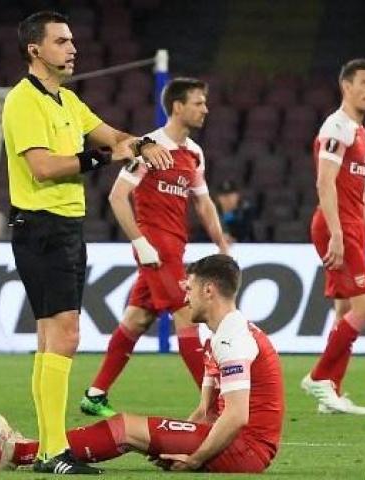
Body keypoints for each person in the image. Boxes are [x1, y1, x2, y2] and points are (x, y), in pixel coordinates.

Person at [3, 10, 173, 475]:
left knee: (50, 337)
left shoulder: (65, 101)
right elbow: (42, 166)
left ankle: (47, 452)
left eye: (72, 40)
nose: (72, 48)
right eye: (61, 41)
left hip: (64, 229)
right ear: (35, 49)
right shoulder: (24, 101)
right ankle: (55, 451)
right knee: (66, 334)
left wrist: (136, 145)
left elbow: (113, 135)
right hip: (42, 227)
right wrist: (100, 158)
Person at [0, 254, 285, 474]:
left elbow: (237, 415)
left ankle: (19, 453)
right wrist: (173, 442)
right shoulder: (218, 337)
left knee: (125, 428)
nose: (185, 298)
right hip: (236, 443)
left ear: (209, 290)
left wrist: (196, 458)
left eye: (189, 289)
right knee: (132, 432)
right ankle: (32, 448)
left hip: (247, 450)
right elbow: (205, 413)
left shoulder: (234, 338)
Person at [79, 77, 229, 418]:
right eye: (198, 102)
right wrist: (141, 242)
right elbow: (117, 197)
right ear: (178, 107)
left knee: (137, 319)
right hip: (155, 247)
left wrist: (221, 244)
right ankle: (213, 408)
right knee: (187, 315)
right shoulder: (148, 148)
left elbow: (204, 204)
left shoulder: (194, 153)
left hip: (175, 247)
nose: (205, 109)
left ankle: (95, 394)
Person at [302, 58, 365, 415]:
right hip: (337, 224)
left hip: (351, 225)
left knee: (344, 311)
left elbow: (362, 192)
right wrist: (337, 234)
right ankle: (318, 378)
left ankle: (331, 393)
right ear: (346, 86)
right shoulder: (337, 127)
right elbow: (324, 181)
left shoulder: (361, 133)